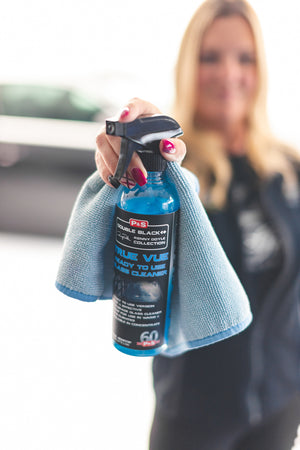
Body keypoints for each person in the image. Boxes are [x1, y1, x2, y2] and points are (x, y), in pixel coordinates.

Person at [95, 0, 300, 448]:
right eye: (211, 57)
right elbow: (120, 249)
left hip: (282, 402)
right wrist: (127, 156)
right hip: (193, 411)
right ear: (190, 65)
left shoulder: (288, 167)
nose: (229, 72)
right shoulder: (171, 174)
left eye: (244, 57)